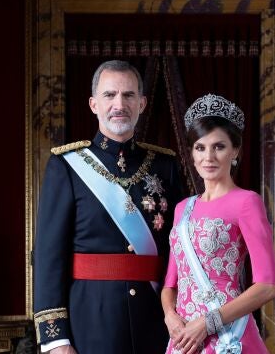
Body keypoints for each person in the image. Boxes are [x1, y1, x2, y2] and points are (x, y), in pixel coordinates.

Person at [33, 60, 183, 354]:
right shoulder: (66, 165)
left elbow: (179, 251)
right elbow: (48, 256)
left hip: (155, 320)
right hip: (90, 320)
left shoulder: (165, 166)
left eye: (128, 95)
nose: (119, 104)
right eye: (109, 95)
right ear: (93, 104)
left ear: (141, 103)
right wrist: (56, 340)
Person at [161, 94, 275, 354]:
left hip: (228, 336)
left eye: (219, 146)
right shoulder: (182, 208)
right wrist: (171, 317)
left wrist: (207, 322)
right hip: (184, 339)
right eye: (200, 147)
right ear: (191, 153)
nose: (209, 157)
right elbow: (171, 283)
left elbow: (268, 285)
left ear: (235, 150)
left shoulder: (247, 202)